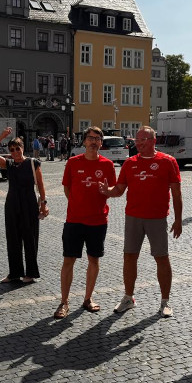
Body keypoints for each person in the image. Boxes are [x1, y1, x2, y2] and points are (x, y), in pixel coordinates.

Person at [100, 126, 182, 317]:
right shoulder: (130, 163)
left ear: (153, 141)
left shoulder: (167, 161)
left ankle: (165, 302)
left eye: (142, 139)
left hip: (157, 218)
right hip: (133, 217)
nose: (138, 143)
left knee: (161, 257)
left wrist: (178, 220)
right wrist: (107, 191)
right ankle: (128, 298)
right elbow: (119, 189)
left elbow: (177, 194)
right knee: (129, 256)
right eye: (137, 140)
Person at [54, 127, 117, 319]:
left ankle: (88, 298)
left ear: (101, 143)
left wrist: (107, 191)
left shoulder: (108, 165)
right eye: (90, 138)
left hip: (98, 221)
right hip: (74, 220)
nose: (93, 142)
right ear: (84, 141)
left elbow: (113, 189)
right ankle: (64, 302)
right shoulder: (73, 162)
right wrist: (77, 203)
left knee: (94, 260)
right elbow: (67, 188)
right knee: (68, 260)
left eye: (97, 139)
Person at [0, 127, 47, 283]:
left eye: (17, 148)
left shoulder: (33, 163)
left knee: (30, 238)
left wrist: (44, 204)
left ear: (23, 148)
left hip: (29, 204)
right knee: (13, 238)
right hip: (12, 204)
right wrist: (1, 137)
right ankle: (14, 273)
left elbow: (41, 185)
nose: (15, 152)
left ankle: (31, 273)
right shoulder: (9, 164)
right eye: (12, 149)